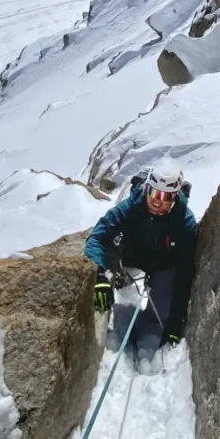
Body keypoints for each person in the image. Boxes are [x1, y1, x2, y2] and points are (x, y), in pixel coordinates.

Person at [83, 159, 198, 372]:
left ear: (174, 198)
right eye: (153, 192)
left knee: (161, 316)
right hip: (128, 255)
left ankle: (148, 328)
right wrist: (99, 275)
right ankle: (117, 287)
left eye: (164, 196)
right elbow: (97, 238)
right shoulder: (132, 205)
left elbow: (184, 274)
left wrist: (174, 325)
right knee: (107, 253)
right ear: (147, 187)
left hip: (162, 264)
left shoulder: (184, 223)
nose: (156, 200)